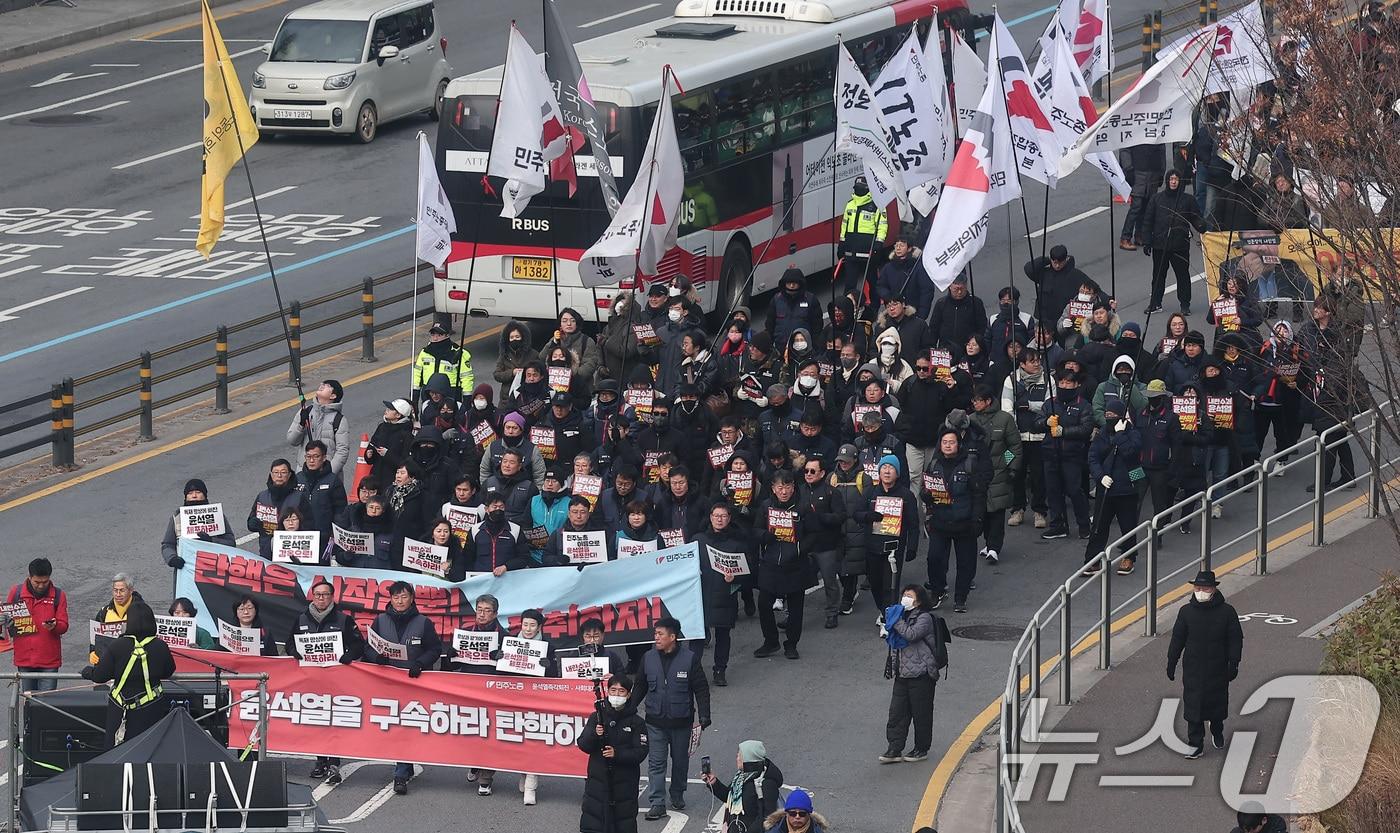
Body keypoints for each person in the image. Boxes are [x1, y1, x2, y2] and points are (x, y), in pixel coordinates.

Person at [627, 617, 711, 821]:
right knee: (656, 763)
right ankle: (657, 802)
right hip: (654, 722)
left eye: (660, 634)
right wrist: (629, 709)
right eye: (655, 634)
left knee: (680, 761)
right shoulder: (648, 658)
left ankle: (677, 793)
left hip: (681, 722)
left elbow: (701, 688)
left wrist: (704, 715)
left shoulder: (690, 659)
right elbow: (640, 686)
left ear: (672, 637)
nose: (656, 637)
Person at [365, 581, 443, 795]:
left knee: (407, 726)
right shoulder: (380, 621)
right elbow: (367, 647)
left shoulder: (423, 622)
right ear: (390, 599)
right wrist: (376, 658)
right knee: (394, 726)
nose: (400, 601)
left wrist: (420, 663)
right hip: (387, 683)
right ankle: (404, 765)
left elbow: (435, 649)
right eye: (396, 597)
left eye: (404, 596)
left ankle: (401, 772)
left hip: (413, 683)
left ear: (412, 598)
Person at [284, 580, 363, 783]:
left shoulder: (344, 620)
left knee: (334, 720)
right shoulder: (301, 618)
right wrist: (294, 652)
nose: (321, 598)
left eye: (325, 594)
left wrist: (349, 656)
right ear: (312, 596)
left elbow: (358, 645)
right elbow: (289, 643)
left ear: (332, 597)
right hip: (311, 680)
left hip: (337, 680)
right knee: (317, 721)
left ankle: (334, 762)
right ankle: (320, 761)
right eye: (317, 594)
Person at [1167, 570, 1243, 759]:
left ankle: (1217, 729)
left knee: (1216, 703)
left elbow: (1235, 640)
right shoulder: (1186, 612)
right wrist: (1171, 661)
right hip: (1193, 667)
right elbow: (1177, 639)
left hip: (1218, 667)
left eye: (1205, 588)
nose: (1201, 591)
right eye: (1197, 587)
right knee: (1193, 705)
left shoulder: (1227, 612)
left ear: (1214, 589)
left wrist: (1234, 663)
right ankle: (1195, 744)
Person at [81, 603, 175, 747]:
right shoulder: (160, 646)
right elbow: (169, 671)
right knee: (149, 746)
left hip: (120, 707)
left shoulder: (117, 646)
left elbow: (100, 676)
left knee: (117, 749)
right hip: (151, 706)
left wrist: (87, 672)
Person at [921, 429, 988, 613]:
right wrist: (926, 496)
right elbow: (924, 491)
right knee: (934, 558)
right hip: (940, 522)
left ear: (958, 444)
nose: (948, 445)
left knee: (966, 563)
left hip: (964, 523)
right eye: (945, 442)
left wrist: (977, 520)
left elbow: (979, 494)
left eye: (952, 442)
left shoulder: (969, 464)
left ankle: (961, 598)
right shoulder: (934, 464)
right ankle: (937, 591)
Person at [880, 585, 945, 763]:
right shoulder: (902, 615)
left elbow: (911, 634)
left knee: (921, 714)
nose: (905, 598)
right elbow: (895, 645)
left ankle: (921, 749)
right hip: (902, 673)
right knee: (897, 713)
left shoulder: (924, 618)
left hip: (921, 674)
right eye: (904, 595)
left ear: (919, 601)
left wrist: (895, 620)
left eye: (909, 596)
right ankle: (894, 749)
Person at [578, 673, 649, 833]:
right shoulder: (596, 717)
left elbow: (641, 752)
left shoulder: (637, 722)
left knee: (623, 823)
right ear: (608, 691)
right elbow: (583, 744)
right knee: (594, 823)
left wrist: (617, 754)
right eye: (613, 690)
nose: (616, 694)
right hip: (597, 782)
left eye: (621, 691)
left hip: (625, 784)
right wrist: (595, 734)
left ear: (628, 694)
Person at [752, 470, 810, 659]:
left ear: (793, 487)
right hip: (770, 563)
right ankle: (770, 641)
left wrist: (800, 549)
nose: (783, 491)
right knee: (764, 604)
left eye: (787, 487)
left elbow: (814, 534)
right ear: (773, 488)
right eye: (780, 487)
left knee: (795, 608)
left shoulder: (803, 507)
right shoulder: (765, 507)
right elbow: (755, 530)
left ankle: (791, 644)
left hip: (795, 564)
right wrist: (765, 536)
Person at [694, 501, 751, 686]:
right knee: (697, 636)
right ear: (710, 518)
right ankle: (694, 671)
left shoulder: (738, 543)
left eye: (723, 516)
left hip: (725, 595)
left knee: (723, 635)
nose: (719, 519)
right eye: (716, 516)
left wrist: (734, 579)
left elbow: (747, 572)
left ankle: (720, 670)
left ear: (729, 518)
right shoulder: (698, 540)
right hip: (700, 595)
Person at [1084, 398, 1143, 576]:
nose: (1109, 418)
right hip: (1106, 488)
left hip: (1128, 488)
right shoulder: (1102, 434)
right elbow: (1093, 457)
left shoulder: (1133, 433)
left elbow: (1131, 453)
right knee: (1099, 526)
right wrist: (1100, 476)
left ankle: (1129, 557)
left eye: (1113, 415)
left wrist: (1120, 435)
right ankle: (1092, 560)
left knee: (1128, 525)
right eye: (1107, 414)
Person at [1036, 372, 1094, 541]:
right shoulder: (1050, 403)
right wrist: (1046, 422)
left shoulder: (1083, 405)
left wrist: (1064, 431)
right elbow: (1036, 424)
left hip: (1072, 455)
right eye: (1061, 382)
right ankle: (1058, 525)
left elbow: (1086, 428)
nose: (1064, 386)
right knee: (1053, 491)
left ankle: (1084, 526)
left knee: (1075, 490)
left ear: (1076, 385)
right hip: (1050, 453)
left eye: (1068, 383)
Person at [969, 385, 1020, 565]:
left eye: (978, 400)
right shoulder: (971, 420)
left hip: (999, 472)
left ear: (988, 401)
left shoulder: (1005, 419)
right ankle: (988, 543)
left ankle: (994, 547)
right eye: (973, 400)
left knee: (997, 512)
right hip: (978, 473)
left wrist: (1008, 465)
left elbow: (1014, 446)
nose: (975, 404)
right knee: (982, 511)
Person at [1141, 170, 1202, 314]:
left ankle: (1185, 304)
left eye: (1176, 179)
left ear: (1180, 181)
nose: (1173, 182)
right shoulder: (1157, 199)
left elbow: (1196, 218)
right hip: (1160, 245)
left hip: (1180, 245)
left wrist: (1203, 227)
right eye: (1171, 179)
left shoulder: (1188, 200)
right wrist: (1147, 241)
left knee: (1183, 276)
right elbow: (1148, 221)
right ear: (1167, 181)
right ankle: (1155, 303)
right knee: (1158, 276)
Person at [5, 558, 68, 693]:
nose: (40, 586)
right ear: (29, 577)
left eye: (45, 582)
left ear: (49, 578)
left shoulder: (58, 595)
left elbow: (64, 625)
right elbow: (7, 619)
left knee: (46, 702)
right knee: (28, 700)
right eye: (37, 582)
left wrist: (55, 626)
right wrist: (4, 619)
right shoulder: (16, 593)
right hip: (24, 659)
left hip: (49, 661)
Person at [799, 455, 846, 629]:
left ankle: (832, 613)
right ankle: (791, 615)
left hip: (826, 545)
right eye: (806, 470)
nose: (808, 474)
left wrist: (820, 517)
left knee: (829, 582)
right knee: (797, 581)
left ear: (822, 473)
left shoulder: (832, 492)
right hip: (805, 545)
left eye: (813, 471)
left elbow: (840, 517)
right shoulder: (799, 491)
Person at [703, 740, 784, 833]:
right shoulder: (741, 778)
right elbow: (729, 797)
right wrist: (714, 783)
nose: (737, 759)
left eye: (740, 756)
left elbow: (769, 817)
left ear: (749, 759)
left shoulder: (767, 784)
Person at [160, 479, 236, 569]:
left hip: (214, 568)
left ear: (204, 495)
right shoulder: (177, 518)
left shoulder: (217, 515)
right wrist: (172, 559)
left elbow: (231, 543)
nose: (194, 496)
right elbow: (167, 544)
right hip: (187, 568)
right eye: (190, 493)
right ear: (185, 497)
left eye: (198, 492)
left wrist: (212, 540)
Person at [247, 458, 312, 560]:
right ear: (271, 475)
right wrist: (254, 523)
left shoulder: (299, 497)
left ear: (289, 475)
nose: (279, 475)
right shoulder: (262, 496)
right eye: (276, 472)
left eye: (283, 472)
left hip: (293, 553)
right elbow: (251, 522)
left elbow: (310, 524)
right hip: (267, 553)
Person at [837, 176, 888, 299]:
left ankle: (874, 307)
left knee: (873, 282)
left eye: (861, 188)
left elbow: (882, 226)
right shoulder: (850, 204)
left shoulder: (877, 205)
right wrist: (841, 244)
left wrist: (878, 244)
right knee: (850, 284)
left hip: (868, 252)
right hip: (851, 252)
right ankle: (848, 306)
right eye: (856, 188)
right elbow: (844, 225)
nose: (858, 190)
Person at [286, 379, 351, 475]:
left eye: (327, 385)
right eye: (322, 384)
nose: (322, 385)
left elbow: (342, 451)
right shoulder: (305, 412)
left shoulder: (339, 419)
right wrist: (301, 425)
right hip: (303, 473)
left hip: (327, 476)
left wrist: (328, 473)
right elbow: (292, 440)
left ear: (333, 396)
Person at [297, 441, 348, 546]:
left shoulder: (333, 481)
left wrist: (335, 534)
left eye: (316, 456)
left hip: (324, 537)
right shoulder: (298, 479)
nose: (311, 460)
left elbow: (340, 511)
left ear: (324, 458)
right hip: (300, 537)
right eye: (308, 456)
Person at [928, 274, 989, 358]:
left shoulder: (976, 303)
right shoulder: (941, 303)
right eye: (956, 289)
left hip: (968, 350)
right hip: (946, 350)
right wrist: (932, 347)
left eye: (962, 289)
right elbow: (934, 328)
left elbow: (982, 326)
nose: (959, 292)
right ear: (950, 286)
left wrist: (976, 344)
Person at [412, 321, 475, 402]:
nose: (435, 338)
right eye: (433, 335)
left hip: (450, 394)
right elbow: (417, 374)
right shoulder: (425, 352)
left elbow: (466, 377)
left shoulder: (458, 353)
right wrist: (415, 394)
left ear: (447, 335)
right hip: (429, 393)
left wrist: (467, 398)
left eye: (439, 335)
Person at [1119, 143, 1166, 249]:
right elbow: (1125, 148)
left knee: (1148, 206)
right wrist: (1128, 169)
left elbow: (1162, 150)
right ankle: (1125, 238)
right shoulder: (1134, 132)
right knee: (1136, 206)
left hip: (1153, 171)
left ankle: (1140, 235)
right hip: (1138, 171)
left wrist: (1161, 172)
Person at [89, 573, 144, 664]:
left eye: (122, 590)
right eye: (115, 590)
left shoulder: (142, 612)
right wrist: (92, 651)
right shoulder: (104, 612)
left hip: (133, 662)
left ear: (131, 590)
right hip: (109, 662)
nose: (118, 594)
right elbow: (95, 637)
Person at [875, 237, 933, 319]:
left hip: (913, 312)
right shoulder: (888, 267)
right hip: (893, 311)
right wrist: (889, 297)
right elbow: (881, 286)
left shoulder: (918, 267)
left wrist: (922, 314)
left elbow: (926, 291)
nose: (898, 248)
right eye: (896, 245)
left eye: (902, 245)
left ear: (909, 248)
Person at [364, 398, 416, 488]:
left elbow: (405, 462)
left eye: (390, 409)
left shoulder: (406, 434)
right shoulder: (382, 427)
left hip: (392, 480)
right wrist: (368, 455)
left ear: (398, 415)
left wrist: (387, 454)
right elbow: (372, 444)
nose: (386, 410)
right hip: (375, 477)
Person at [766, 268, 823, 349]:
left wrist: (815, 346)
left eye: (794, 283)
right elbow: (770, 325)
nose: (792, 286)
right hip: (781, 347)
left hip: (803, 347)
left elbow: (817, 326)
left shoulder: (811, 300)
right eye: (789, 283)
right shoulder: (776, 300)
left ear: (800, 283)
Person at [494, 320, 540, 400]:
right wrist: (512, 373)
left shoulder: (533, 354)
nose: (514, 339)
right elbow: (497, 375)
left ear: (523, 337)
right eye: (511, 337)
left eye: (517, 337)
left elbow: (540, 372)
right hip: (507, 397)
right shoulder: (504, 355)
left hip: (528, 395)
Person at [762, 790, 828, 833]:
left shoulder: (817, 831)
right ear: (787, 814)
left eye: (802, 814)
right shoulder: (775, 830)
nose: (797, 817)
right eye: (792, 813)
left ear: (808, 814)